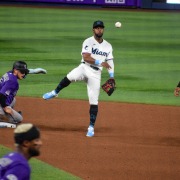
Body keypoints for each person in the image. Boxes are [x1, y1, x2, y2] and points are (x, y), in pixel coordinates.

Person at [43, 20, 115, 137]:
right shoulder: (88, 41)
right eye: (97, 28)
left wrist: (112, 76)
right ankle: (55, 92)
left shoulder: (108, 46)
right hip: (84, 67)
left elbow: (110, 61)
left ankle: (91, 127)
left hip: (96, 75)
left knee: (94, 101)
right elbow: (86, 57)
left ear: (103, 29)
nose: (99, 30)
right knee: (70, 77)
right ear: (93, 30)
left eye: (101, 28)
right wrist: (100, 61)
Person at [0, 61, 47, 125]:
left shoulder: (10, 73)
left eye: (25, 72)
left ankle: (4, 113)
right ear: (15, 70)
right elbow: (1, 94)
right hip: (1, 100)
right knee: (19, 119)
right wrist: (5, 107)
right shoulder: (12, 81)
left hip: (1, 100)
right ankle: (2, 117)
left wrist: (33, 71)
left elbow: (21, 71)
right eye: (22, 72)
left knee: (13, 100)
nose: (24, 74)